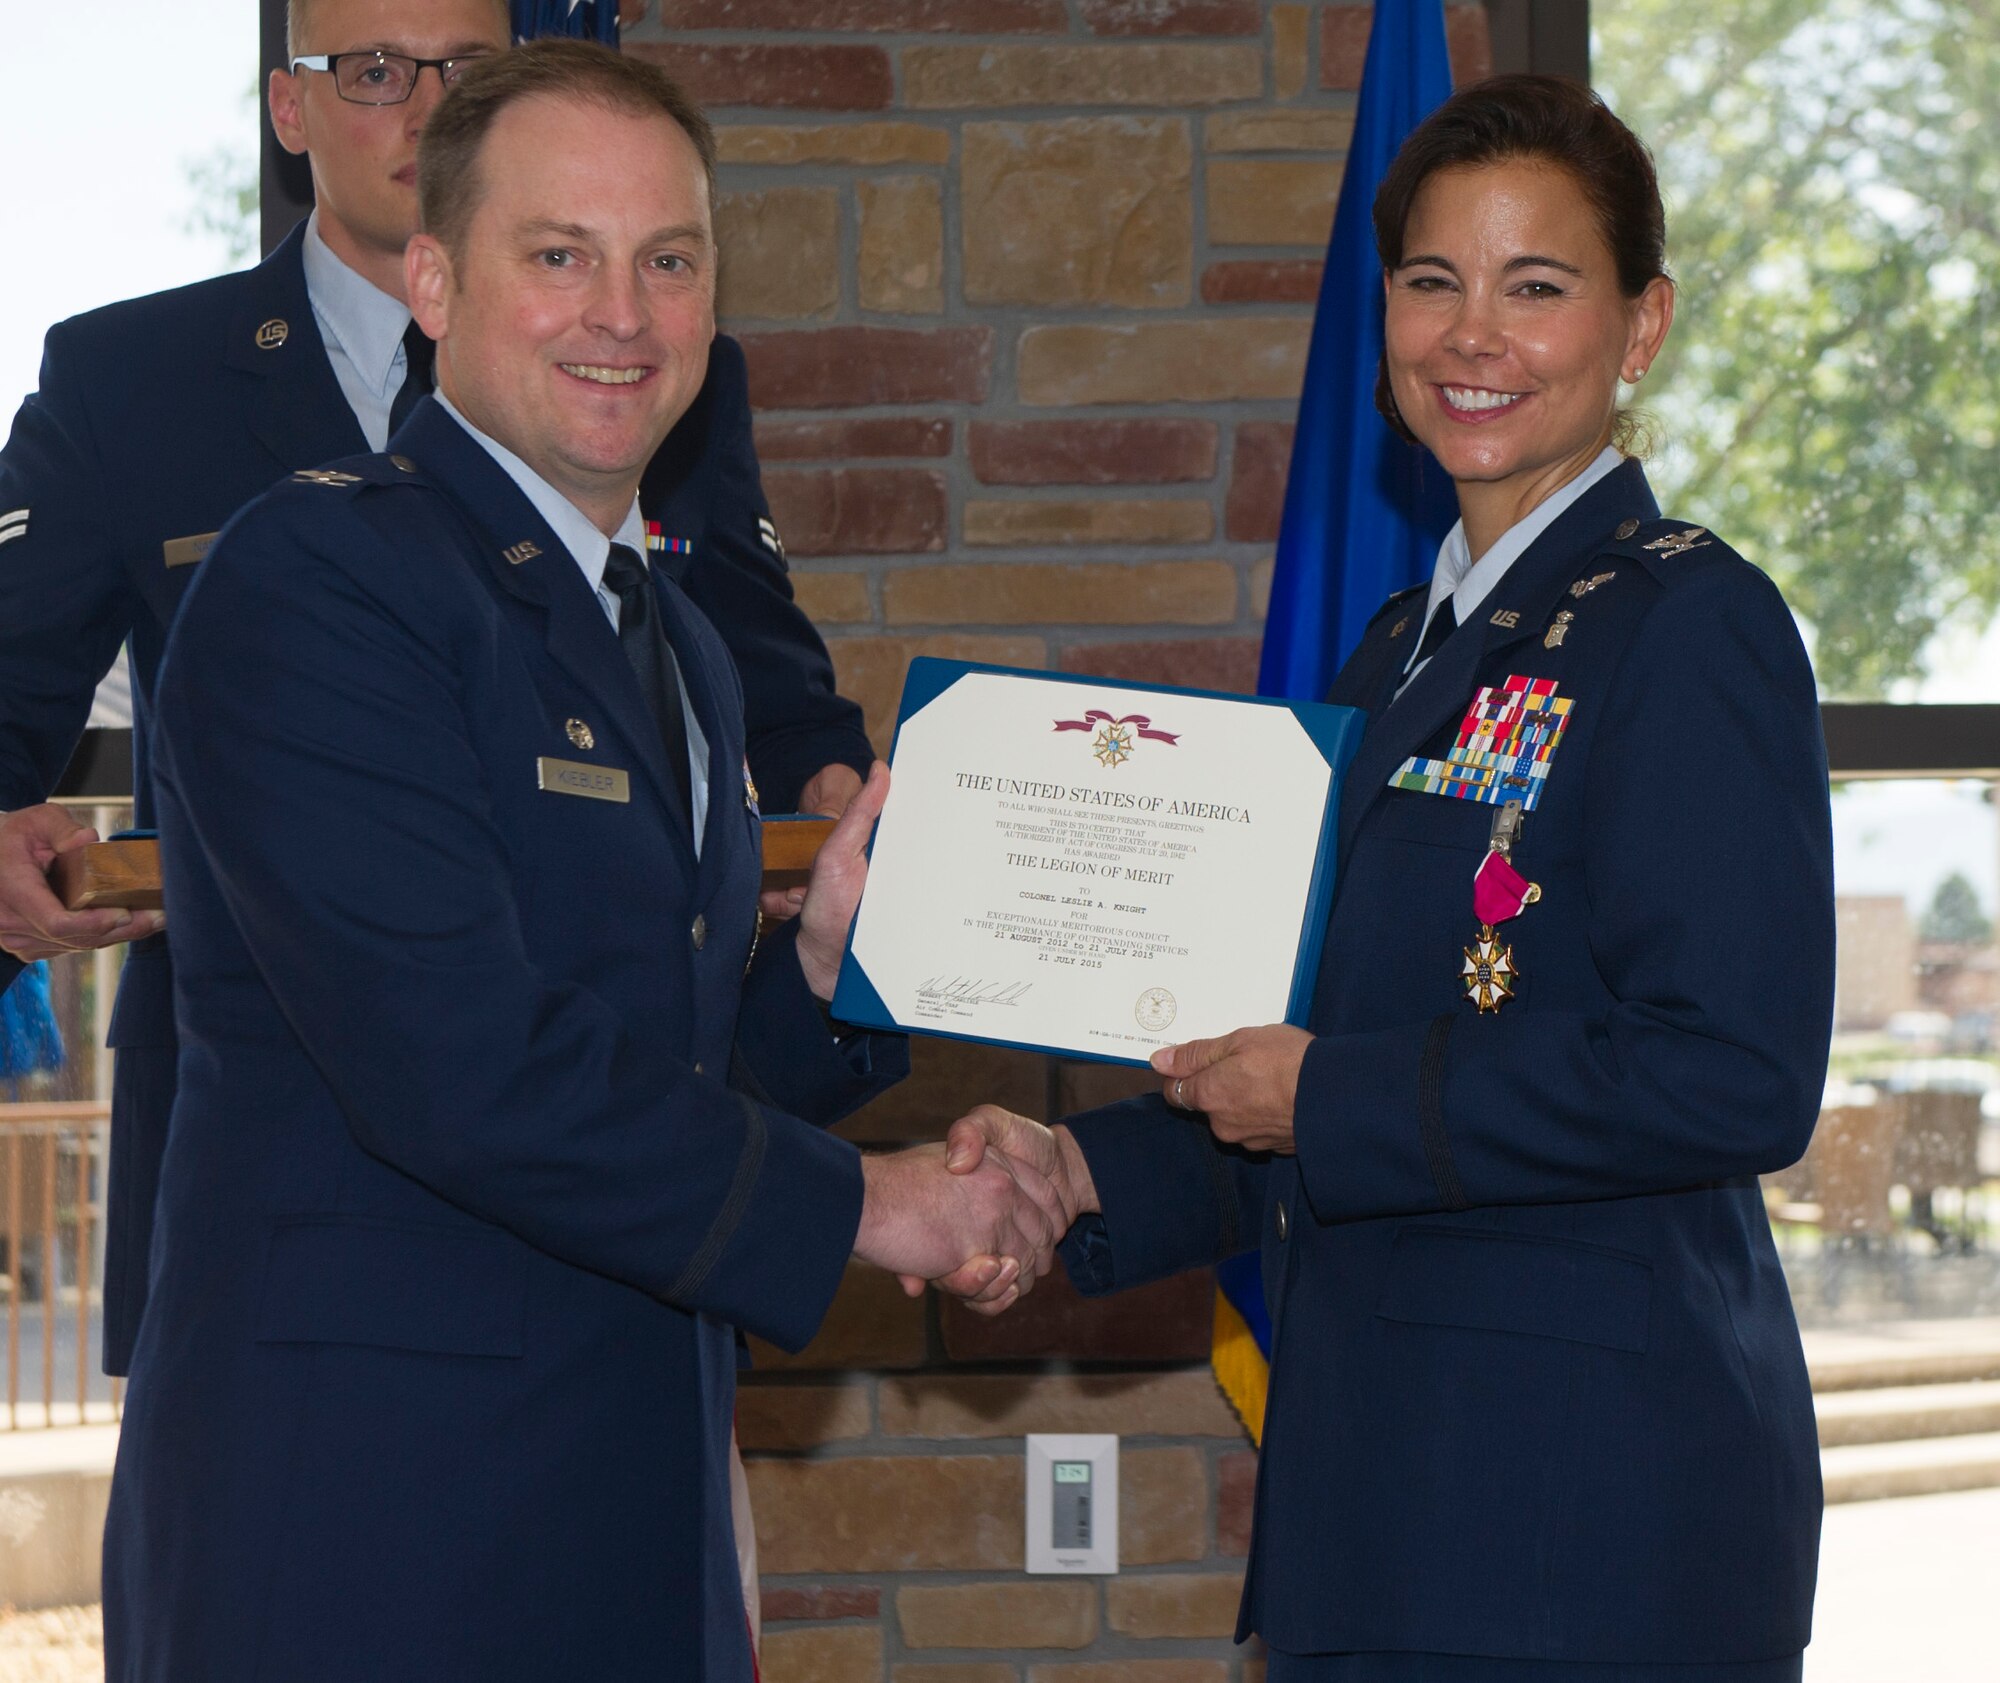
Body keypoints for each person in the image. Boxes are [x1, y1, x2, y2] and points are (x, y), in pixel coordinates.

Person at [102, 41, 1055, 1681]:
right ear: (431, 281)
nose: (623, 312)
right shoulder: (321, 578)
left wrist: (821, 976)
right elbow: (462, 1068)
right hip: (365, 1539)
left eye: (668, 261)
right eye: (560, 255)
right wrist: (876, 1207)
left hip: (618, 1514)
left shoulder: (674, 633)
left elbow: (656, 1064)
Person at [947, 75, 1832, 1682]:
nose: (1472, 335)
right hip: (1391, 1514)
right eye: (1432, 283)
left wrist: (1325, 1097)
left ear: (1643, 328)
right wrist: (1079, 1178)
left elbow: (1732, 1073)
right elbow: (1306, 1064)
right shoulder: (1396, 655)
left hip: (1587, 1534)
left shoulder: (1689, 625)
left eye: (1537, 287)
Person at [0, 0, 872, 1377]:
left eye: (472, 68)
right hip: (298, 1201)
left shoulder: (647, 367)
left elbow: (754, 663)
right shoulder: (135, 380)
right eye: (371, 70)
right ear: (288, 111)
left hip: (624, 1162)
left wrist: (842, 824)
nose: (425, 103)